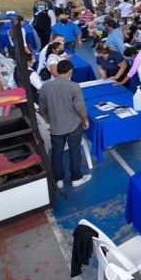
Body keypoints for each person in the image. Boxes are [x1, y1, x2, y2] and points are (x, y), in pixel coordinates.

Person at [38, 60, 91, 188]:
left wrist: (47, 119)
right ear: (70, 72)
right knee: (74, 151)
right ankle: (76, 178)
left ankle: (58, 180)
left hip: (56, 125)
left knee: (56, 153)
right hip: (74, 124)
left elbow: (41, 108)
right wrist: (85, 120)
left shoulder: (45, 87)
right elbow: (80, 107)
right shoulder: (74, 86)